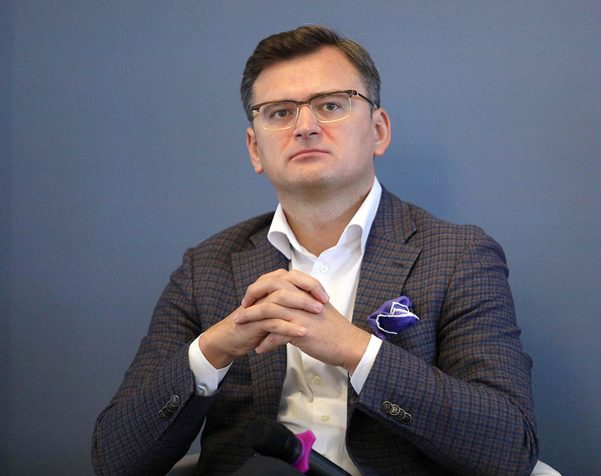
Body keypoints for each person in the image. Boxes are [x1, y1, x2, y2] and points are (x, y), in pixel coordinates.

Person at [92, 25, 538, 475]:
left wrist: (357, 350)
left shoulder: (459, 256)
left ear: (378, 131)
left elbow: (509, 450)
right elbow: (115, 461)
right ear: (255, 149)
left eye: (330, 105)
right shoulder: (205, 268)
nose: (305, 127)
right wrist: (212, 351)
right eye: (280, 112)